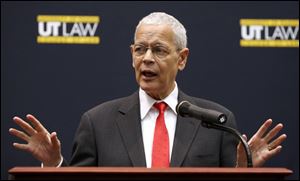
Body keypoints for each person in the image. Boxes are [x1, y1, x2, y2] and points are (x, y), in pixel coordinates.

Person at [9, 12, 287, 168]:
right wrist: (55, 164)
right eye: (140, 49)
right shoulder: (97, 123)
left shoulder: (217, 121)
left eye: (159, 50)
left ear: (182, 58)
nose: (147, 58)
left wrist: (246, 171)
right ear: (132, 55)